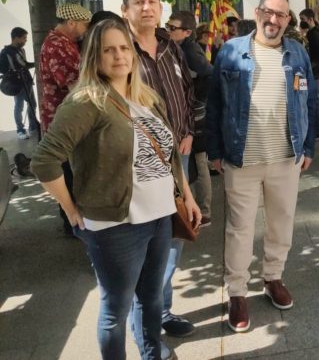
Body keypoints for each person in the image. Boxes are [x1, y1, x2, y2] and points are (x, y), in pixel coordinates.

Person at [31, 18, 201, 360]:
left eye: (124, 48)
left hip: (160, 217)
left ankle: (152, 354)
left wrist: (187, 195)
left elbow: (168, 154)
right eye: (108, 49)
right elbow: (44, 161)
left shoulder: (147, 98)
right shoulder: (86, 102)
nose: (119, 55)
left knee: (151, 298)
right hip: (116, 227)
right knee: (116, 311)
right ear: (94, 56)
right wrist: (71, 209)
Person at [207, 0, 316, 332]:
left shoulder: (297, 52)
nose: (274, 20)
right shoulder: (231, 50)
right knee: (239, 229)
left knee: (281, 223)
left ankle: (273, 277)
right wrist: (214, 151)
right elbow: (214, 103)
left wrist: (309, 147)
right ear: (257, 13)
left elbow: (310, 101)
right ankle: (237, 293)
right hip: (242, 159)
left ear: (288, 20)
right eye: (269, 12)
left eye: (281, 15)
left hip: (286, 157)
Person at [120, 0, 197, 344]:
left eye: (152, 0)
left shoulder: (170, 46)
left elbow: (187, 91)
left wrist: (189, 130)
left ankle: (162, 311)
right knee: (146, 247)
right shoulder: (119, 49)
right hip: (141, 163)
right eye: (138, 2)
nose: (147, 7)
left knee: (174, 235)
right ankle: (144, 328)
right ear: (125, 11)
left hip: (179, 154)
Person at [39, 3, 92, 234]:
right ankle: (73, 223)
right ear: (71, 23)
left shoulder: (63, 43)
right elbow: (76, 87)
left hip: (62, 115)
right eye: (84, 25)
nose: (86, 30)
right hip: (64, 119)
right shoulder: (58, 46)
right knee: (68, 171)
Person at [167, 11, 214, 227]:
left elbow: (209, 73)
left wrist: (197, 99)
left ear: (187, 32)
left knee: (198, 160)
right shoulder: (177, 47)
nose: (168, 30)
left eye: (172, 28)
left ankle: (203, 211)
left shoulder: (189, 50)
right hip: (190, 111)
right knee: (194, 161)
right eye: (167, 26)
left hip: (194, 113)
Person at [0, 27, 39, 139]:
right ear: (16, 38)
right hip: (16, 83)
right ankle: (20, 130)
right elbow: (2, 69)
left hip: (26, 81)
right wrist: (11, 72)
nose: (25, 40)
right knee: (19, 107)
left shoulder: (21, 50)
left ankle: (33, 127)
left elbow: (25, 65)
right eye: (24, 38)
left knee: (32, 104)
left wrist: (36, 63)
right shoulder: (5, 52)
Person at [299, 8, 319, 139]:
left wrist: (307, 68)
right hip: (312, 73)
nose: (301, 22)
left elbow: (318, 57)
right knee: (310, 100)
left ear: (310, 19)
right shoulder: (311, 33)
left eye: (303, 19)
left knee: (314, 101)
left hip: (314, 74)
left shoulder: (314, 35)